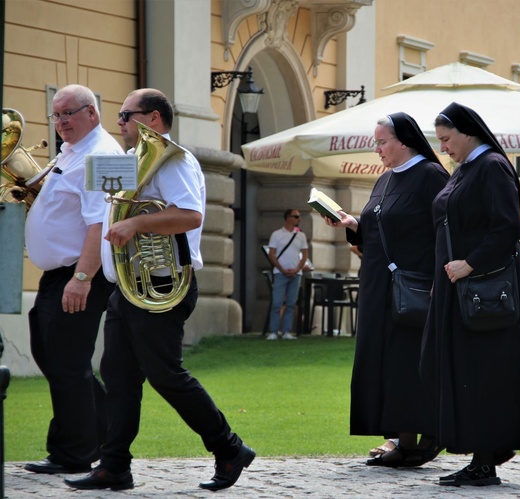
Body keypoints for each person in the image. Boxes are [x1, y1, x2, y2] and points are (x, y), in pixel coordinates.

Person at [64, 88, 254, 491]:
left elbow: (190, 214)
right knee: (117, 375)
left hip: (161, 283)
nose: (118, 123)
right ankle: (114, 465)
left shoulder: (175, 160)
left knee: (166, 375)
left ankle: (229, 448)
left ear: (152, 118)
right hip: (127, 287)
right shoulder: (129, 161)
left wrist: (135, 224)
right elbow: (105, 209)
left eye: (124, 115)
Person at [419, 102, 520, 486]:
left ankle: (486, 459)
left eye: (447, 139)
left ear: (468, 132)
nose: (444, 148)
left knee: (485, 372)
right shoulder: (466, 169)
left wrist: (469, 264)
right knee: (453, 367)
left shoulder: (491, 167)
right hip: (459, 286)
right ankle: (477, 453)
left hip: (484, 288)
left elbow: (505, 229)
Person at [323, 112, 449, 466]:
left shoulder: (430, 175)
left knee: (407, 362)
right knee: (387, 363)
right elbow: (378, 229)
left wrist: (440, 278)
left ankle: (424, 437)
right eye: (375, 142)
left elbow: (445, 231)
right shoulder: (385, 179)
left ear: (404, 140)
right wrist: (351, 224)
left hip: (413, 286)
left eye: (382, 142)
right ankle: (401, 439)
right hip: (380, 285)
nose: (376, 149)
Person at [23, 84, 122, 475]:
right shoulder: (74, 150)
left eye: (69, 113)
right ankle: (99, 431)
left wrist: (82, 277)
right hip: (60, 273)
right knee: (51, 352)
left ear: (92, 113)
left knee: (67, 360)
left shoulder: (105, 155)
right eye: (57, 114)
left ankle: (73, 452)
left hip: (81, 273)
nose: (61, 121)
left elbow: (103, 223)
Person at [266, 209, 308, 340]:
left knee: (291, 303)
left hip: (296, 274)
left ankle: (286, 332)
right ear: (287, 218)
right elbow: (271, 254)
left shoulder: (301, 235)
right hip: (280, 273)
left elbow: (305, 255)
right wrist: (282, 269)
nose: (298, 219)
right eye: (295, 216)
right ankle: (273, 331)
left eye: (299, 217)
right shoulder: (277, 234)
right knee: (277, 303)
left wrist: (297, 269)